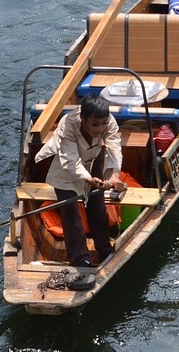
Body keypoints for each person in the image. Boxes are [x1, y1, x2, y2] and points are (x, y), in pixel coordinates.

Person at [35, 96, 122, 269]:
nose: (100, 128)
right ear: (83, 119)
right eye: (95, 124)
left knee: (97, 206)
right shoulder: (68, 125)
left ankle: (104, 248)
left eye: (103, 124)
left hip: (93, 159)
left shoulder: (109, 121)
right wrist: (88, 179)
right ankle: (80, 259)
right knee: (70, 211)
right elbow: (71, 161)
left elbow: (114, 146)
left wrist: (114, 175)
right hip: (66, 168)